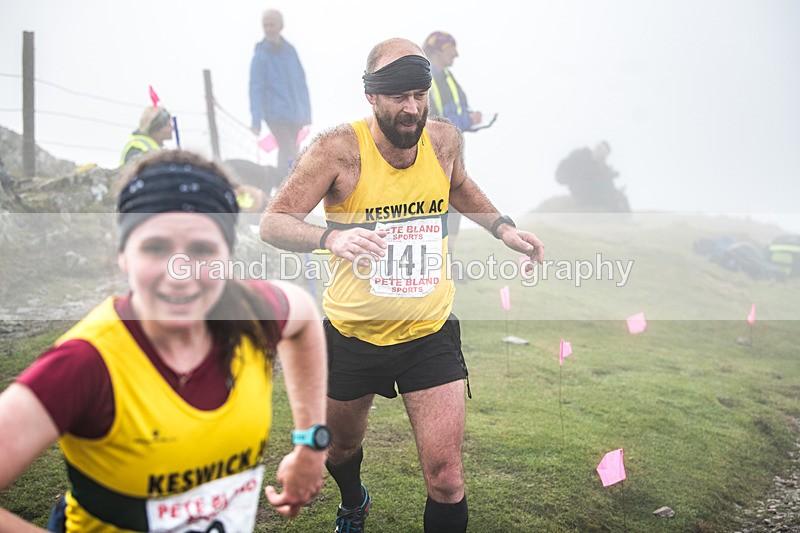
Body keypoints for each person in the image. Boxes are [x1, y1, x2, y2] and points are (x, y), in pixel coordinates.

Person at [260, 37, 545, 533]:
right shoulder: (336, 151)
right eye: (398, 98)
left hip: (427, 330)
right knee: (341, 449)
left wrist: (503, 227)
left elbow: (458, 184)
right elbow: (274, 222)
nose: (411, 109)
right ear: (372, 97)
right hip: (353, 332)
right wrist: (331, 237)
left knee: (447, 478)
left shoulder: (444, 140)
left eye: (419, 95)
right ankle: (354, 501)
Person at [0, 150, 329, 531]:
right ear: (123, 255)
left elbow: (303, 314)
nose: (180, 272)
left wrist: (310, 445)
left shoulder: (251, 313)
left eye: (203, 250)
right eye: (156, 248)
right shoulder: (86, 364)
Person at [422, 31, 483, 267]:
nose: (457, 54)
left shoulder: (448, 77)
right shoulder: (424, 78)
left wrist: (469, 118)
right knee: (434, 209)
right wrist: (467, 120)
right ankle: (435, 265)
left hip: (450, 153)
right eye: (452, 48)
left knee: (453, 205)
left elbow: (456, 112)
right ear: (439, 49)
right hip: (430, 155)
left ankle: (447, 263)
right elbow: (436, 122)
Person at [249, 9, 312, 180]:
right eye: (265, 25)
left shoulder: (290, 51)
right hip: (274, 113)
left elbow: (301, 82)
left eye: (271, 24)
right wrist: (256, 120)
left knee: (293, 149)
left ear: (280, 26)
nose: (268, 28)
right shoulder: (260, 55)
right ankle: (286, 186)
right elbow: (255, 88)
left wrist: (307, 114)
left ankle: (289, 184)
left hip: (295, 114)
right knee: (287, 149)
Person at [555, 141, 631, 212]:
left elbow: (607, 188)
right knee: (616, 198)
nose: (599, 152)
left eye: (603, 152)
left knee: (621, 198)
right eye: (598, 148)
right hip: (582, 194)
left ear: (605, 157)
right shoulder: (582, 156)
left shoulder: (603, 170)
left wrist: (616, 192)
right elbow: (564, 171)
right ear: (595, 148)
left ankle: (625, 221)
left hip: (593, 196)